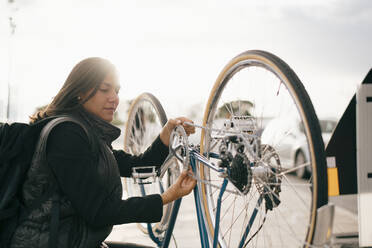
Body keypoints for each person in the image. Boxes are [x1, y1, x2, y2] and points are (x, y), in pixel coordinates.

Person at [10, 57, 196, 248]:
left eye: (116, 91)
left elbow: (138, 165)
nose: (114, 98)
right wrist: (166, 197)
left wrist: (166, 133)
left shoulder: (86, 133)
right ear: (80, 92)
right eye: (104, 89)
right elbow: (99, 212)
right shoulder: (67, 135)